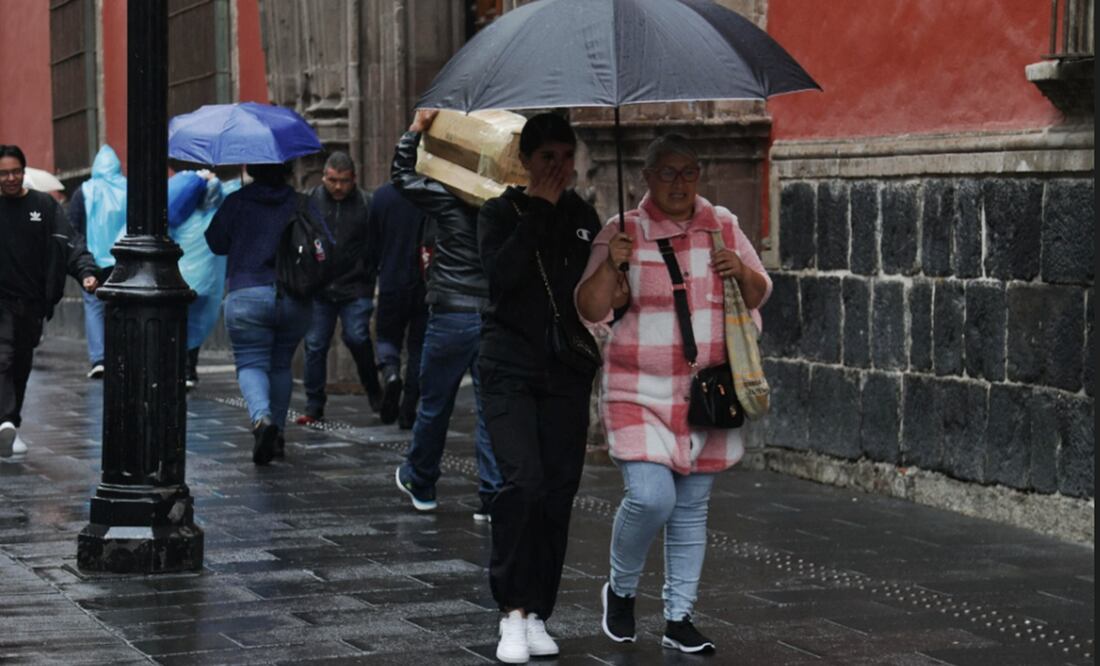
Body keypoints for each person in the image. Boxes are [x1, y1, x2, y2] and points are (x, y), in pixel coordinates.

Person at [576, 134, 772, 655]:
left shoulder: (723, 224)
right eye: (668, 173)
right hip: (636, 392)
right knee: (651, 497)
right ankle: (620, 590)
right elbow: (591, 309)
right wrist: (610, 264)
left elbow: (760, 294)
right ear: (647, 177)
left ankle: (679, 616)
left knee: (691, 510)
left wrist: (741, 270)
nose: (680, 183)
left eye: (689, 172)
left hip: (705, 394)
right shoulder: (622, 230)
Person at [478, 114, 602, 663]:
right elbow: (501, 280)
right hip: (508, 366)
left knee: (557, 491)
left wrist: (615, 264)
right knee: (522, 483)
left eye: (565, 156)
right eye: (547, 157)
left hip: (566, 371)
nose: (558, 167)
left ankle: (539, 612)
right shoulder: (498, 213)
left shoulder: (585, 217)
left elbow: (600, 301)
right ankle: (511, 611)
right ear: (526, 161)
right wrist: (539, 213)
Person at [391, 110, 502, 520]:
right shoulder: (506, 204)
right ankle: (491, 495)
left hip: (452, 312)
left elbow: (401, 175)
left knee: (435, 403)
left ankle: (422, 481)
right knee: (489, 409)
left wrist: (416, 130)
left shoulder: (448, 199)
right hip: (491, 316)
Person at [205, 162, 317, 465]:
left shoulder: (237, 201)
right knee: (281, 364)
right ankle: (277, 434)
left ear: (252, 169)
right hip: (293, 297)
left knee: (251, 361)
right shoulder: (303, 202)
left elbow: (214, 242)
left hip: (247, 295)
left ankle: (262, 419)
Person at [0, 145, 99, 458]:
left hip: (32, 303)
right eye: (3, 173)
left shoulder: (43, 206)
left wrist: (86, 271)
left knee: (22, 363)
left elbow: (69, 243)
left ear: (24, 171)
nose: (11, 178)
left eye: (15, 171)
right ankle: (4, 422)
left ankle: (10, 423)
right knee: (2, 357)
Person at [296, 152, 382, 425]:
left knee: (357, 336)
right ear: (323, 177)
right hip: (320, 287)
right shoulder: (310, 201)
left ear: (353, 179)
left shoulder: (367, 204)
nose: (337, 187)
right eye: (332, 180)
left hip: (355, 285)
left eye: (343, 181)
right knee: (315, 344)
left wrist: (368, 275)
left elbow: (376, 244)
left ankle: (373, 389)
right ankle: (314, 404)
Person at [167, 166, 242, 389]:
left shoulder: (183, 221)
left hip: (182, 280)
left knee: (180, 325)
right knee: (197, 326)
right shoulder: (216, 216)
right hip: (208, 284)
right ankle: (190, 370)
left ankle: (180, 369)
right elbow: (232, 189)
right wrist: (212, 179)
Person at [367, 181, 432, 429]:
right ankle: (408, 409)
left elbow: (372, 243)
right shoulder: (430, 195)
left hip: (392, 281)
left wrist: (373, 272)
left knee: (385, 337)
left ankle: (391, 372)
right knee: (418, 348)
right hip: (424, 284)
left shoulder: (381, 196)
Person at [67, 145, 126, 379]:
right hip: (123, 259)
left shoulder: (83, 191)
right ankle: (122, 354)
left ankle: (99, 359)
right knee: (122, 307)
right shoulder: (128, 187)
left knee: (94, 307)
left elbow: (73, 227)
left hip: (92, 261)